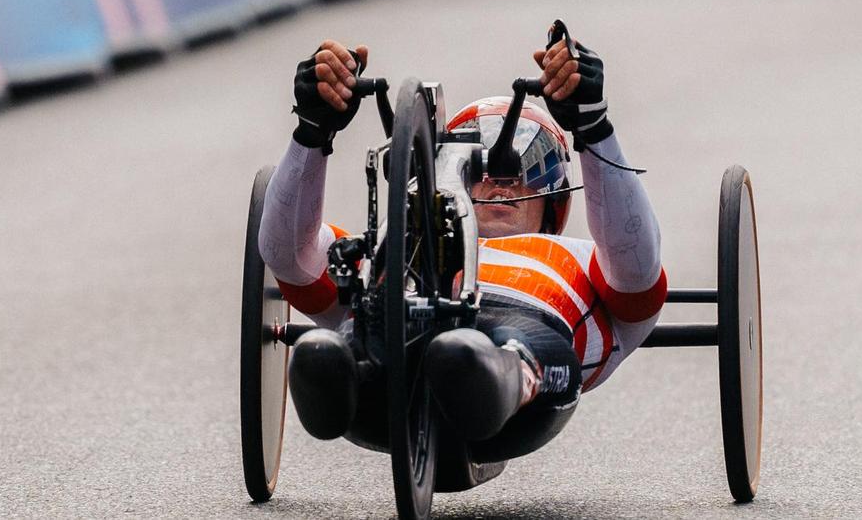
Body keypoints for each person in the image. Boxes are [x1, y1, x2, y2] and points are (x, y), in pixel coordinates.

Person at [259, 24, 665, 457]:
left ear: (554, 201)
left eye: (529, 166)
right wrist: (312, 133)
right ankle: (337, 369)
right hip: (388, 342)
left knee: (488, 350)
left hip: (523, 347)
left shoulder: (585, 258)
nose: (498, 184)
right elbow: (288, 255)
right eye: (478, 169)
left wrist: (593, 125)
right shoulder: (390, 247)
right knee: (334, 347)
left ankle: (493, 374)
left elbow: (637, 273)